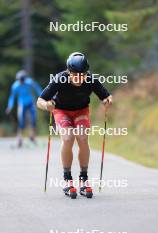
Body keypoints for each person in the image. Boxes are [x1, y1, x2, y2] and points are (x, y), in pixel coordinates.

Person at [37, 52, 112, 198]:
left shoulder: (90, 79)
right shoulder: (60, 79)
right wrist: (47, 105)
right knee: (68, 138)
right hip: (61, 111)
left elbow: (107, 96)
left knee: (83, 137)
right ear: (68, 72)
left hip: (81, 111)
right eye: (75, 74)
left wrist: (107, 101)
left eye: (82, 74)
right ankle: (67, 180)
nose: (79, 78)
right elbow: (39, 100)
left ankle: (84, 180)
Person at [6, 70, 42, 147]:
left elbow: (37, 88)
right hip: (21, 104)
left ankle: (32, 136)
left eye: (23, 80)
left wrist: (42, 96)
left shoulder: (29, 82)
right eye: (20, 80)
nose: (21, 82)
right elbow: (12, 97)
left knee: (33, 119)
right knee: (21, 121)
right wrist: (10, 106)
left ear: (25, 79)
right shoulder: (15, 86)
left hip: (30, 102)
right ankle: (19, 138)